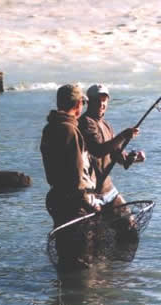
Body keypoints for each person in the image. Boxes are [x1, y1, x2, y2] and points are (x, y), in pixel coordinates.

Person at [40, 83, 102, 269]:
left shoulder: (50, 128)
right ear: (78, 105)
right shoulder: (69, 130)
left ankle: (64, 296)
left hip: (58, 201)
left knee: (66, 259)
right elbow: (75, 180)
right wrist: (91, 204)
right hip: (74, 207)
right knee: (81, 263)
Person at [78, 84, 145, 208]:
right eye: (97, 101)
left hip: (107, 188)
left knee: (130, 225)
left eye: (104, 101)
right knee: (98, 227)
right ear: (88, 102)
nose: (101, 104)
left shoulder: (107, 125)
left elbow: (117, 156)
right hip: (91, 191)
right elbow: (98, 150)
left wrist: (131, 158)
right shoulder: (85, 122)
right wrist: (123, 135)